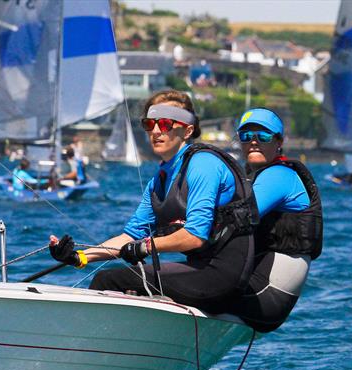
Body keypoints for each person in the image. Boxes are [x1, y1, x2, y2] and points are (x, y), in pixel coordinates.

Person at [49, 90, 257, 314]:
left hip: (224, 276)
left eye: (166, 123)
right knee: (120, 282)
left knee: (109, 280)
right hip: (198, 270)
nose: (156, 131)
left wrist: (145, 246)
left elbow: (195, 236)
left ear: (187, 130)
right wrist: (78, 256)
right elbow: (130, 236)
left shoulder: (203, 164)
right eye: (150, 124)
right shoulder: (158, 181)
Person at [226, 108, 323, 332]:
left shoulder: (278, 176)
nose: (254, 142)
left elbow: (237, 218)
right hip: (259, 288)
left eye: (264, 136)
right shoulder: (250, 179)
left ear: (279, 141)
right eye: (246, 136)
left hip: (267, 295)